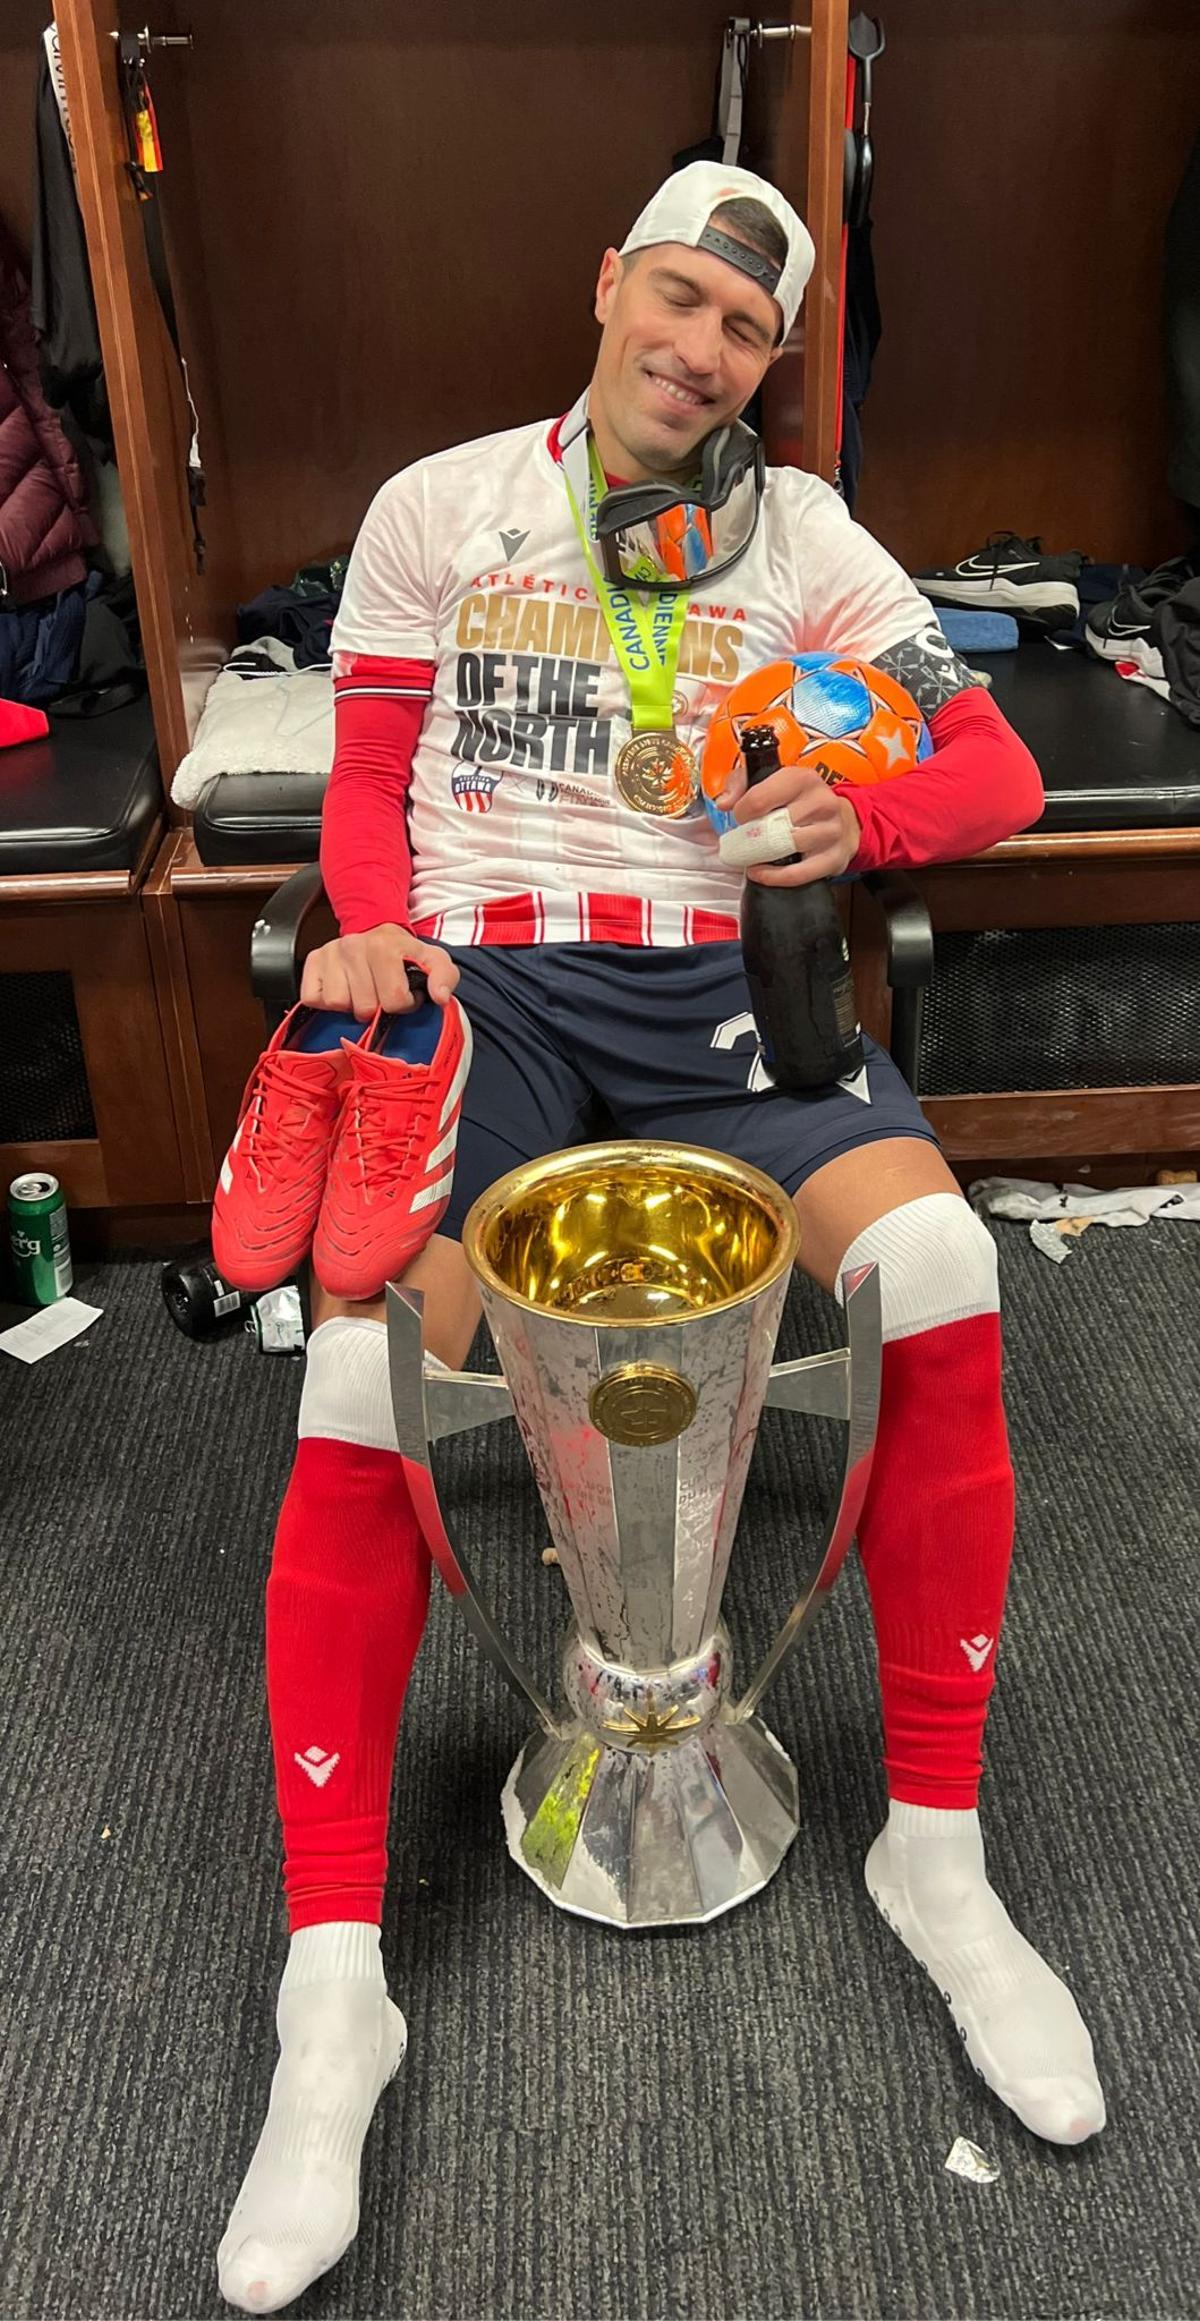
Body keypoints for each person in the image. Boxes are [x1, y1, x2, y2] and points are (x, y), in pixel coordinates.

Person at [214, 162, 1105, 2317]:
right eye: (680, 298)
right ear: (607, 284)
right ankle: (337, 1987)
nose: (698, 350)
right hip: (491, 989)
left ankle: (936, 1854)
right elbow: (366, 780)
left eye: (744, 331)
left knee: (950, 1271)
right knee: (356, 1358)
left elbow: (996, 774)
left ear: (769, 366)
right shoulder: (442, 508)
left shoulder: (803, 541)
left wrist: (859, 809)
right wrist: (368, 932)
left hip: (719, 994)